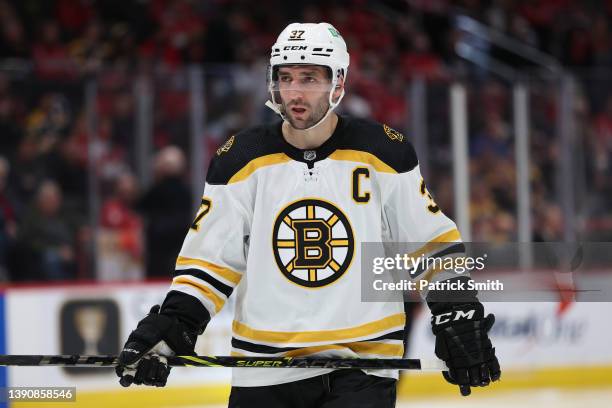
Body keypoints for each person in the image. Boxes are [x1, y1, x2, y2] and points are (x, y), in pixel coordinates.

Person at [116, 22, 500, 406]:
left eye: (309, 78)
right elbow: (210, 262)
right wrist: (175, 324)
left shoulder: (384, 153)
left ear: (338, 83)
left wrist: (457, 310)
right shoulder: (240, 160)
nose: (295, 92)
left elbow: (430, 245)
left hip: (361, 370)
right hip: (264, 371)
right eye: (285, 77)